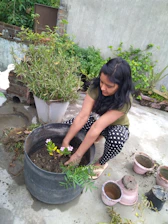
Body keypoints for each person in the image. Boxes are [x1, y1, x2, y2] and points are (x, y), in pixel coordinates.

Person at [61, 57, 133, 179]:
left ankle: (101, 163)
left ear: (121, 86)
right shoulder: (95, 88)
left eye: (109, 86)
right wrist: (65, 141)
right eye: (101, 82)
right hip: (97, 119)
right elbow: (82, 116)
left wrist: (78, 155)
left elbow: (97, 127)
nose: (103, 88)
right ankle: (97, 137)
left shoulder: (125, 101)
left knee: (117, 139)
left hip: (115, 126)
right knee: (68, 126)